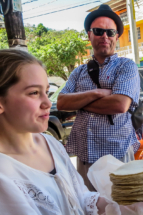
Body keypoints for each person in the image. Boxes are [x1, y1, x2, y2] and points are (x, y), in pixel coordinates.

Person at [0, 49, 109, 215]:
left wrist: (119, 205)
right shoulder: (4, 174)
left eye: (47, 92)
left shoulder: (50, 143)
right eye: (34, 93)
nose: (47, 103)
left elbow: (79, 197)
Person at [57, 4, 140, 191]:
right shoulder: (78, 72)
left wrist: (80, 102)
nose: (105, 36)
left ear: (116, 37)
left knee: (121, 206)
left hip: (117, 153)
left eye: (110, 32)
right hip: (85, 154)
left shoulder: (126, 67)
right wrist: (96, 93)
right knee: (90, 205)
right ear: (89, 35)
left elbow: (120, 104)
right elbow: (62, 102)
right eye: (98, 31)